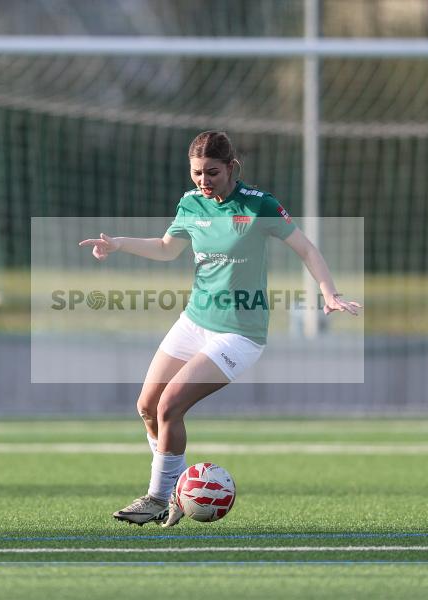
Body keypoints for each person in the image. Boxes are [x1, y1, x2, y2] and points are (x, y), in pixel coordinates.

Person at [79, 131, 362, 527]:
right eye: (197, 173)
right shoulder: (191, 202)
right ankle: (177, 489)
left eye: (212, 172)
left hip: (239, 334)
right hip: (194, 322)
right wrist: (119, 244)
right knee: (146, 407)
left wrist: (329, 293)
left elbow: (306, 249)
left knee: (169, 407)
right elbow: (166, 248)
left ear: (232, 167)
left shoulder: (258, 205)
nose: (203, 181)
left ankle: (159, 497)